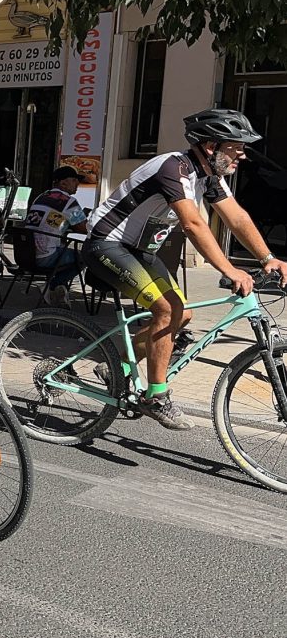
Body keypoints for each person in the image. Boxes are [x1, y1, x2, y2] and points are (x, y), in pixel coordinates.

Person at [82, 108, 287, 430]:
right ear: (211, 147)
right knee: (167, 311)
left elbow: (236, 217)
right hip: (107, 245)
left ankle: (116, 368)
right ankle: (156, 397)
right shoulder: (173, 168)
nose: (242, 155)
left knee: (183, 315)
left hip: (139, 250)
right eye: (236, 147)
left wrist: (267, 257)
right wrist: (229, 269)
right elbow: (193, 224)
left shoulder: (208, 177)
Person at [24, 165, 89, 308]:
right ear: (63, 183)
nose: (77, 184)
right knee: (85, 256)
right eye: (74, 180)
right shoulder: (67, 201)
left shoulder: (40, 197)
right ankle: (54, 285)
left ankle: (59, 288)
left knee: (61, 246)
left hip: (26, 255)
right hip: (46, 256)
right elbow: (83, 228)